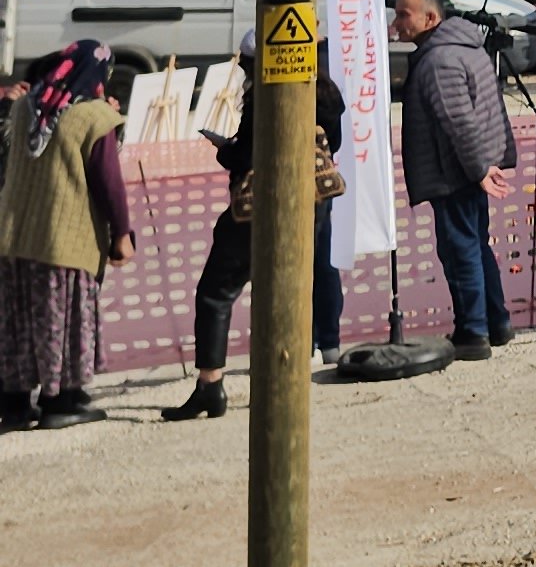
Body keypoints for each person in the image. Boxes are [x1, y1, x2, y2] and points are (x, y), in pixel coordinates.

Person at [167, 40, 347, 420]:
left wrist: (224, 149)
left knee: (215, 291)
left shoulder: (266, 96)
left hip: (263, 205)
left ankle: (210, 385)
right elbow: (336, 143)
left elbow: (249, 155)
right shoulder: (325, 92)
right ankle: (297, 364)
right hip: (312, 201)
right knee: (298, 279)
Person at [0, 41, 136, 430]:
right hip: (63, 240)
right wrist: (122, 233)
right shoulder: (94, 117)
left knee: (20, 321)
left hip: (13, 236)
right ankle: (61, 400)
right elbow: (109, 183)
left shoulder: (28, 106)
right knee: (62, 320)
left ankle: (13, 404)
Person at [393, 0, 517, 362]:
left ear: (430, 18)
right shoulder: (464, 47)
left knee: (460, 249)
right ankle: (496, 323)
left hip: (455, 171)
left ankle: (472, 332)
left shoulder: (438, 60)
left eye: (404, 14)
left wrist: (477, 169)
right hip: (468, 167)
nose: (396, 22)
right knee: (476, 244)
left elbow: (458, 120)